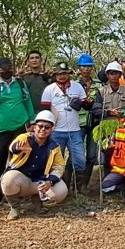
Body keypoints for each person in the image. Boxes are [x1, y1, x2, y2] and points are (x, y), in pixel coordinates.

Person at [0, 57, 34, 207]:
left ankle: (20, 193)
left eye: (9, 67)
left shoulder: (20, 83)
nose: (6, 71)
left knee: (21, 160)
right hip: (0, 128)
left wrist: (32, 121)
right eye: (3, 68)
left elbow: (27, 102)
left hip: (20, 127)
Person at [1, 110, 69, 219]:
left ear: (51, 130)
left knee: (61, 191)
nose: (43, 129)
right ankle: (15, 207)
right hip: (22, 179)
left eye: (47, 127)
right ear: (35, 127)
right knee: (8, 180)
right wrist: (17, 148)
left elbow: (59, 167)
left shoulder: (54, 146)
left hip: (40, 182)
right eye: (40, 126)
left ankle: (37, 202)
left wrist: (50, 181)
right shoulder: (24, 138)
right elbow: (12, 147)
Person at [40, 62, 90, 190]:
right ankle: (59, 188)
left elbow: (86, 105)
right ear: (55, 75)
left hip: (75, 130)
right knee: (57, 162)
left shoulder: (77, 87)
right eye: (59, 74)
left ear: (69, 74)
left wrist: (84, 102)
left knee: (80, 160)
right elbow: (45, 110)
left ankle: (78, 188)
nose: (62, 76)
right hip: (56, 131)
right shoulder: (49, 89)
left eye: (64, 73)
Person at [76, 53, 101, 189]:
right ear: (79, 68)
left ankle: (84, 184)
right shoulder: (73, 84)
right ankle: (74, 184)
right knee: (77, 155)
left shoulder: (98, 84)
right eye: (83, 66)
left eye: (88, 66)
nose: (86, 69)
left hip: (94, 124)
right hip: (78, 124)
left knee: (91, 155)